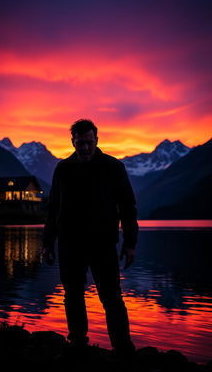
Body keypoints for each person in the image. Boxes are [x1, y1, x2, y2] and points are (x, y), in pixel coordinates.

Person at [42, 119, 139, 357]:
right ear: (72, 142)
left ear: (97, 140)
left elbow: (128, 207)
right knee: (72, 294)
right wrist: (47, 243)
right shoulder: (62, 169)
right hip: (69, 244)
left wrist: (129, 243)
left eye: (89, 142)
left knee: (111, 297)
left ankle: (123, 349)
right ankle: (77, 343)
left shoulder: (113, 167)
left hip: (103, 243)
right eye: (80, 143)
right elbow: (53, 208)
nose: (85, 147)